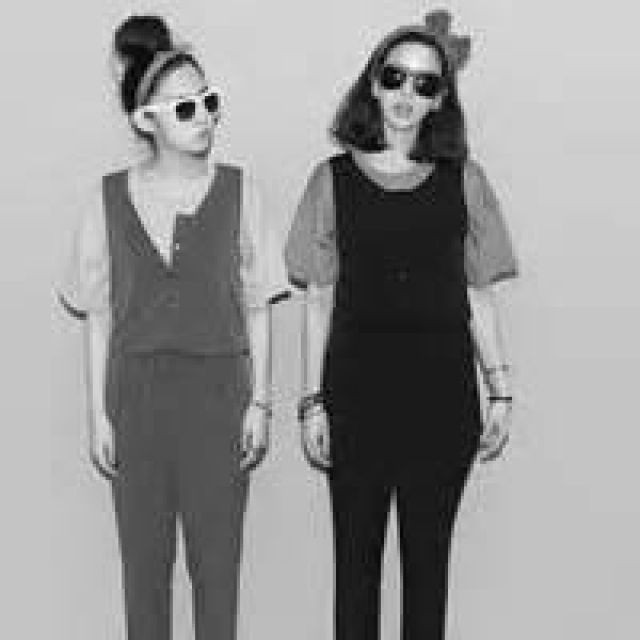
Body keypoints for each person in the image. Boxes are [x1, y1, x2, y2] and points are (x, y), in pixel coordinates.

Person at [285, 10, 518, 640]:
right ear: (373, 83)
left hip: (443, 403)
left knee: (427, 581)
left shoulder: (465, 181)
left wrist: (500, 391)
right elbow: (317, 299)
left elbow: (479, 293)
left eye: (425, 83)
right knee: (355, 579)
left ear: (441, 99)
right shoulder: (331, 181)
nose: (406, 94)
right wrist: (311, 402)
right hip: (355, 400)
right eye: (394, 77)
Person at [57, 14, 287, 640]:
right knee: (144, 574)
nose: (204, 117)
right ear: (145, 120)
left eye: (209, 101)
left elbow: (259, 305)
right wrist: (99, 416)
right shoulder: (105, 199)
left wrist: (260, 403)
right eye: (185, 108)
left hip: (219, 395)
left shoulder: (242, 192)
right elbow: (98, 315)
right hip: (136, 397)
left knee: (217, 572)